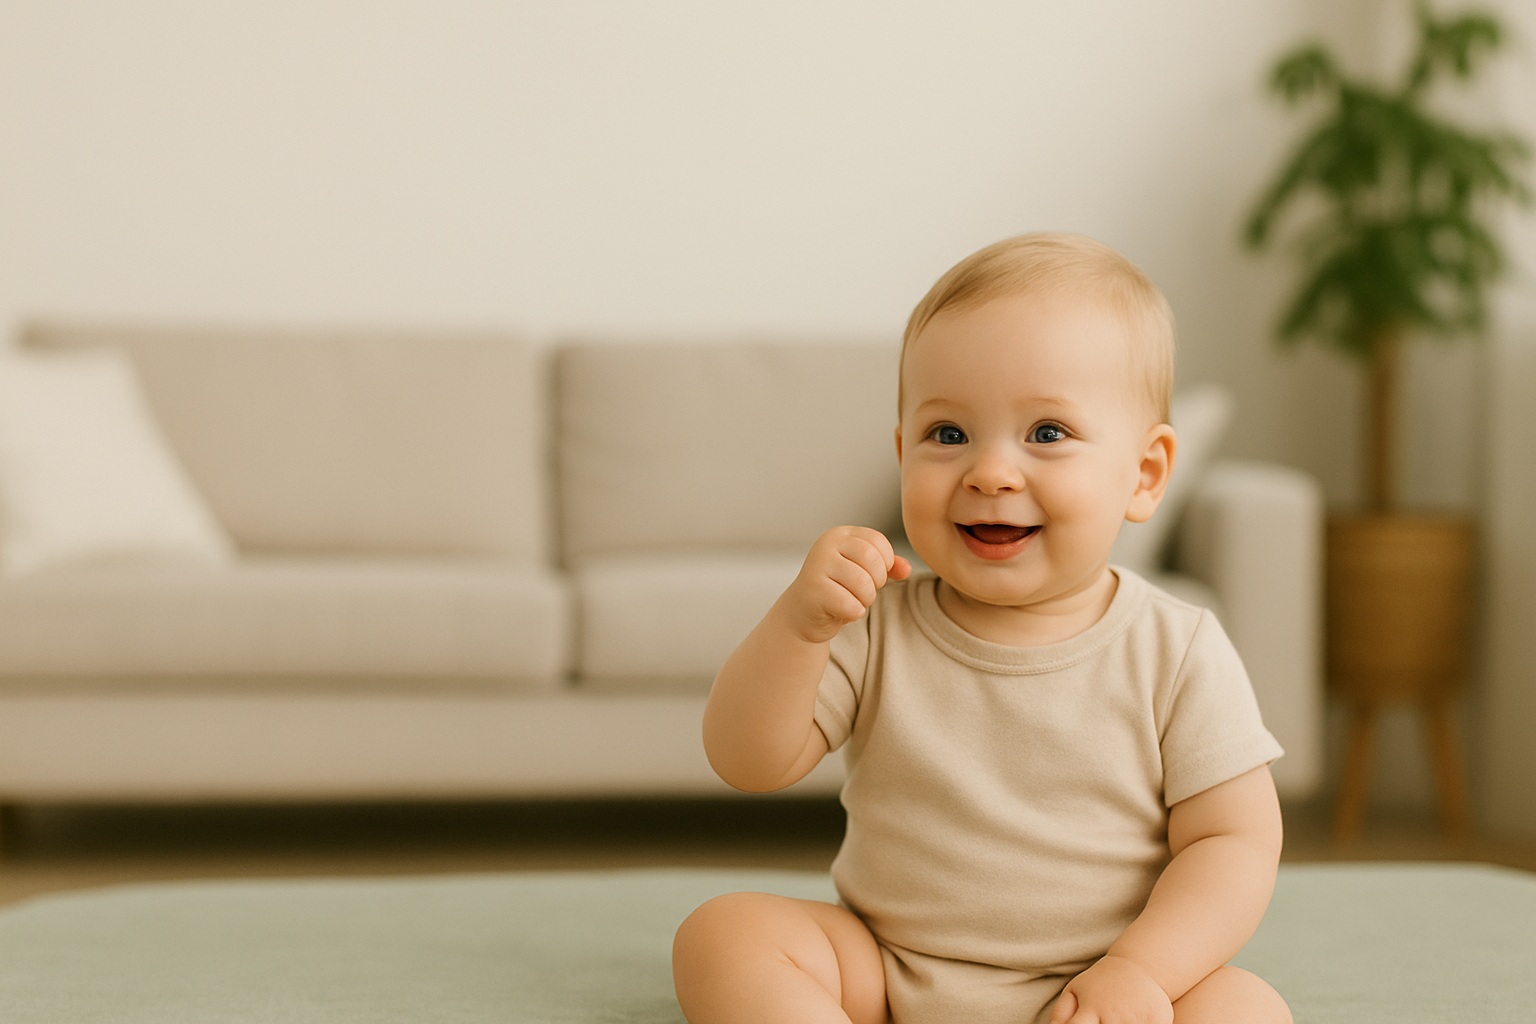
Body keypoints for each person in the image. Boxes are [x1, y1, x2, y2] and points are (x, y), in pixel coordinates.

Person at [672, 232, 1291, 1024]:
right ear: (903, 457)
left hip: (1095, 990)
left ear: (1144, 474)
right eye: (948, 435)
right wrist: (797, 628)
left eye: (1047, 433)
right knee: (724, 935)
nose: (990, 472)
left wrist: (1140, 972)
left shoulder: (1177, 649)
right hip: (890, 973)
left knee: (1245, 1008)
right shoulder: (878, 625)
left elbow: (1232, 845)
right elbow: (747, 761)